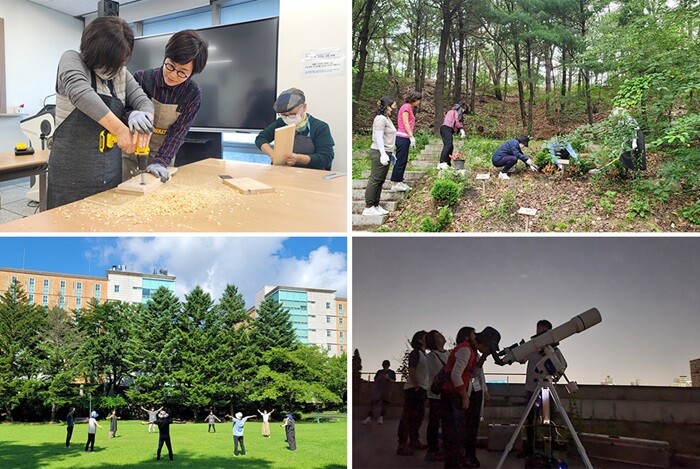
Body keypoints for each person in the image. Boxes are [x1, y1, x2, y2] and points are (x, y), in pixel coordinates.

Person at [47, 16, 154, 209]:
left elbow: (143, 101)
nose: (113, 68)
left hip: (110, 175)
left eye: (118, 62)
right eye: (108, 61)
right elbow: (81, 93)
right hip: (70, 178)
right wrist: (121, 131)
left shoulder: (121, 73)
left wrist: (144, 119)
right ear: (92, 51)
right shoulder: (72, 59)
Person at [123, 29, 209, 183]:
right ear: (165, 57)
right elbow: (122, 111)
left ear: (192, 73)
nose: (173, 75)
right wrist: (131, 116)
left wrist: (160, 162)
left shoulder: (192, 93)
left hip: (162, 154)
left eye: (182, 72)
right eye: (170, 66)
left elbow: (178, 133)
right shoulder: (141, 78)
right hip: (131, 152)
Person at [439, 326, 500, 468]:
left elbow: (472, 374)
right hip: (452, 394)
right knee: (454, 433)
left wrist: (484, 358)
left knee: (460, 431)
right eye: (490, 348)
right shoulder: (465, 350)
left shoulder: (471, 351)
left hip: (458, 393)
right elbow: (455, 374)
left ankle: (458, 461)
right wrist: (464, 395)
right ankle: (453, 464)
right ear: (485, 343)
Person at [255, 88, 335, 170]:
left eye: (292, 114)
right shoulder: (280, 123)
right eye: (284, 115)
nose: (288, 118)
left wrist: (299, 158)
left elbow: (326, 158)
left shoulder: (320, 127)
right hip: (283, 172)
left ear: (304, 107)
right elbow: (261, 138)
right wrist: (272, 154)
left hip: (311, 174)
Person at [519, 320, 566, 459]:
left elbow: (562, 365)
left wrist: (554, 378)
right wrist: (522, 349)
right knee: (530, 420)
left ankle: (549, 449)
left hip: (547, 389)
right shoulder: (532, 347)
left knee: (549, 419)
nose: (540, 332)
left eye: (543, 330)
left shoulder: (554, 350)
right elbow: (522, 360)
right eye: (539, 329)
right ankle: (529, 449)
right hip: (531, 388)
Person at [396, 330, 429, 456]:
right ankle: (402, 444)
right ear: (420, 340)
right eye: (426, 337)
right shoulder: (415, 353)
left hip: (422, 389)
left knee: (418, 417)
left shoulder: (424, 354)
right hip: (413, 389)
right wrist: (416, 384)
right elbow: (411, 369)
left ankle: (414, 441)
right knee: (408, 416)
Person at [362, 96, 397, 216]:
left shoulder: (387, 118)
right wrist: (382, 153)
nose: (394, 108)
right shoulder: (380, 119)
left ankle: (376, 205)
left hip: (387, 151)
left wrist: (390, 153)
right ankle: (369, 206)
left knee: (381, 180)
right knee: (375, 179)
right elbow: (378, 137)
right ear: (387, 106)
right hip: (378, 152)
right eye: (393, 105)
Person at [425, 330, 450, 462]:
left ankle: (443, 448)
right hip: (436, 394)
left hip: (447, 393)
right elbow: (436, 373)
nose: (442, 336)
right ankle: (432, 449)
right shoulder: (432, 356)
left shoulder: (449, 353)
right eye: (438, 336)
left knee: (446, 422)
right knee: (434, 422)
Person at [390, 91, 422, 191]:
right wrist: (411, 136)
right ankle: (396, 183)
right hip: (402, 136)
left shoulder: (409, 108)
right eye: (418, 100)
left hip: (405, 137)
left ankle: (399, 180)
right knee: (400, 160)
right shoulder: (406, 107)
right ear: (414, 99)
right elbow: (405, 122)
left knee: (403, 160)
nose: (419, 102)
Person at [362, 359, 396, 425]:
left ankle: (381, 417)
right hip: (378, 389)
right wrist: (380, 378)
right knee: (374, 403)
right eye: (384, 365)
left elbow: (393, 381)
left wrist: (387, 378)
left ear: (389, 365)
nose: (385, 366)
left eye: (386, 365)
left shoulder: (392, 372)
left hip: (387, 389)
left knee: (385, 404)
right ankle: (369, 417)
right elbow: (375, 380)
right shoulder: (379, 372)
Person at [438, 104, 466, 169]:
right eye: (462, 110)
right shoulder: (454, 112)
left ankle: (447, 163)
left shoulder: (450, 111)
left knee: (451, 146)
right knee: (448, 144)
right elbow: (456, 121)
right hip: (446, 128)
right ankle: (442, 162)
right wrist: (461, 129)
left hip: (445, 128)